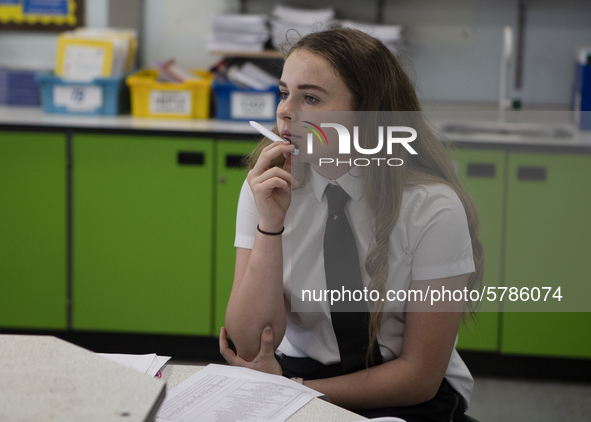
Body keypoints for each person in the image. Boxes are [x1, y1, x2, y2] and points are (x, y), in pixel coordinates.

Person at [219, 27, 484, 422]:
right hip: (299, 372)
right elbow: (248, 345)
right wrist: (269, 226)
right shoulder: (269, 185)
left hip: (401, 390)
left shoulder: (432, 206)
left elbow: (420, 376)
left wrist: (297, 392)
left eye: (310, 97)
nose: (285, 111)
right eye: (283, 92)